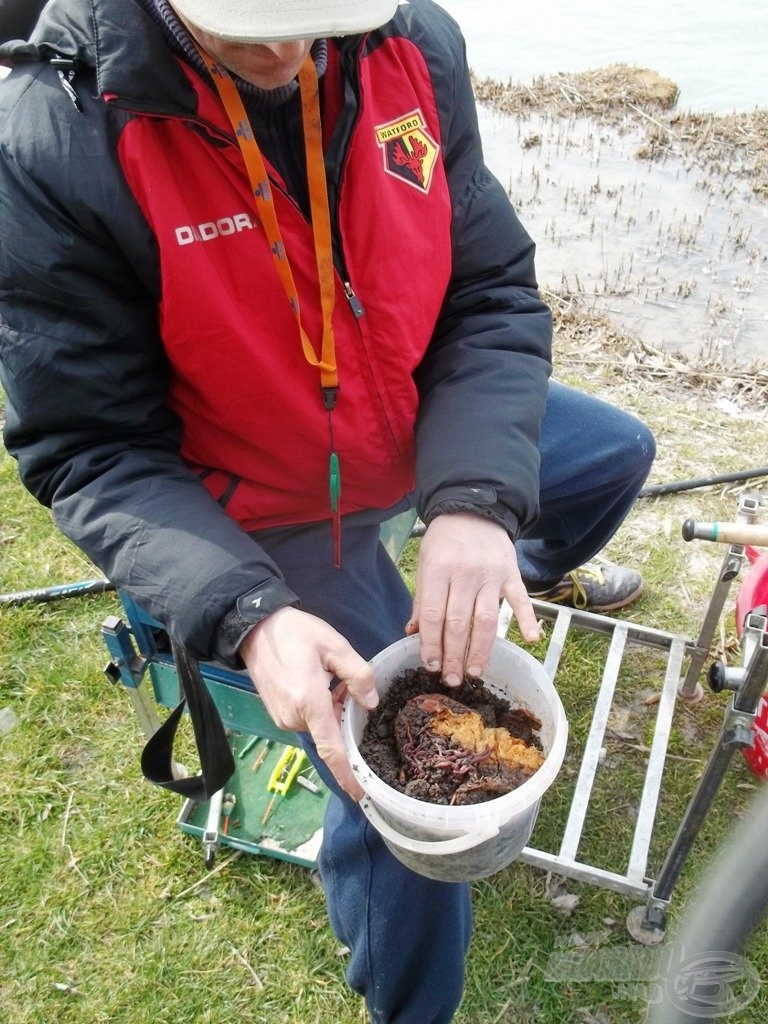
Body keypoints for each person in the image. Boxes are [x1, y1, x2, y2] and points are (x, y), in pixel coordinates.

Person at [0, 1, 655, 1020]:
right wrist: (245, 611)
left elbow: (488, 293)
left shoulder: (414, 43)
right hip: (263, 502)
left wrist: (475, 500)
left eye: (314, 17)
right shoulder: (56, 133)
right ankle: (408, 1005)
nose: (284, 50)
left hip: (409, 421)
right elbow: (91, 446)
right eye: (246, 22)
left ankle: (504, 565)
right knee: (406, 820)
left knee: (615, 456)